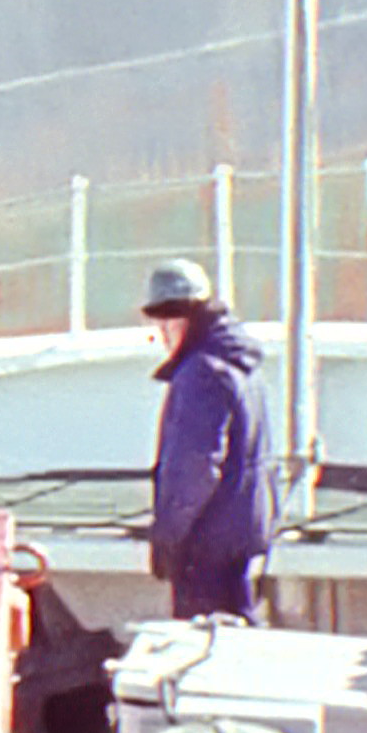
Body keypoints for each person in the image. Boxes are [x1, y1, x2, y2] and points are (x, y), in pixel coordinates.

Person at [141, 258, 271, 620]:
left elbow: (194, 468)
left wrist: (167, 538)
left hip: (206, 544)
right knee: (238, 630)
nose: (162, 336)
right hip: (242, 533)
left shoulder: (201, 373)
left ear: (181, 320)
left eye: (165, 324)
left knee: (202, 638)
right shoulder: (241, 364)